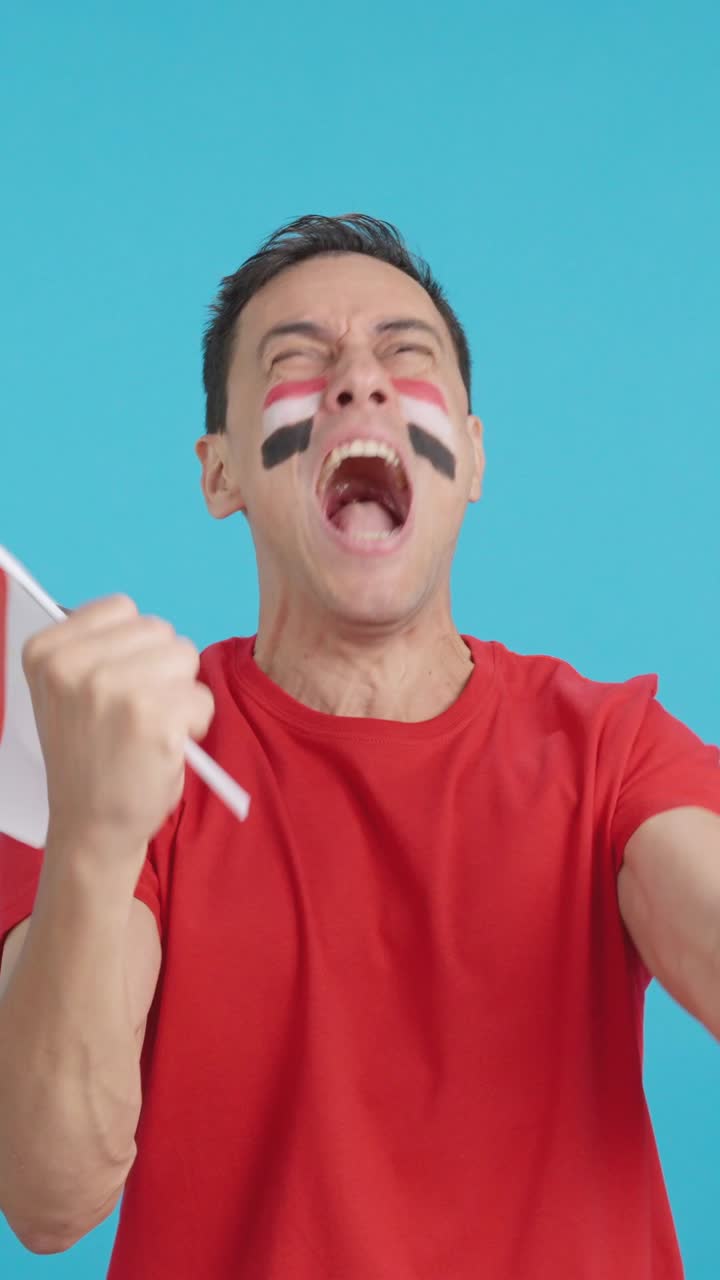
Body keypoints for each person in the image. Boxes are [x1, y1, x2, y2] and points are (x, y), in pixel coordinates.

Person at [0, 214, 718, 1280]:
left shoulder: (609, 749)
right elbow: (49, 1197)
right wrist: (98, 835)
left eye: (405, 355)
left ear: (472, 455)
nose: (358, 383)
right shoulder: (122, 753)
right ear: (221, 472)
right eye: (297, 361)